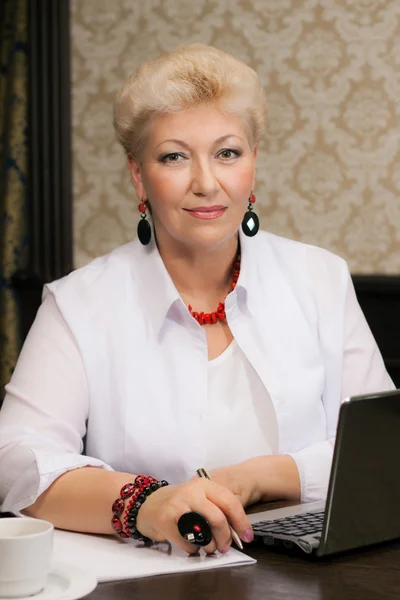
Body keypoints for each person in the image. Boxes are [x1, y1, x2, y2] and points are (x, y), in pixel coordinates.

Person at [0, 44, 393, 555]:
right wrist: (149, 504)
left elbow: (380, 452)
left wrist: (258, 478)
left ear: (253, 163)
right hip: (144, 575)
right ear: (139, 175)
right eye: (174, 156)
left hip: (306, 572)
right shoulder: (79, 303)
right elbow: (15, 458)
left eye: (227, 152)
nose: (206, 183)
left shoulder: (320, 277)